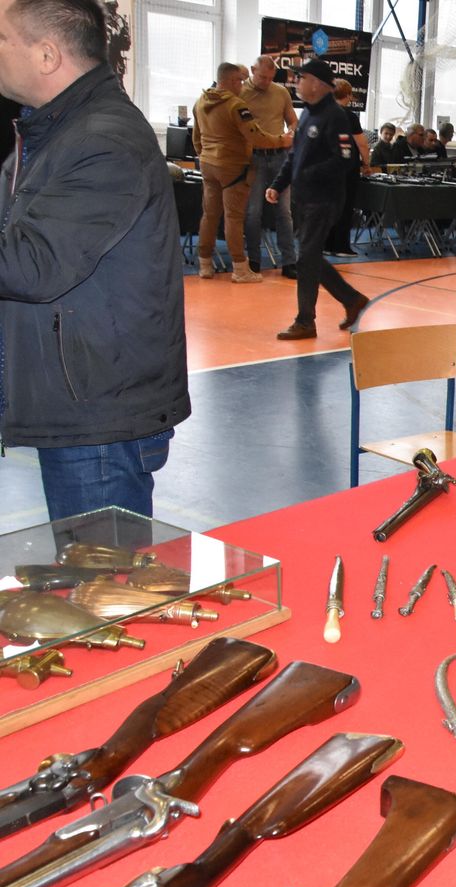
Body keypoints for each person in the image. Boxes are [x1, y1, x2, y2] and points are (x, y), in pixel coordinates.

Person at [0, 0, 188, 519]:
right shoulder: (50, 133)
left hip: (97, 413)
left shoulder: (103, 141)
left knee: (103, 570)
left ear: (46, 55)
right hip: (72, 393)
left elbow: (32, 264)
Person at [265, 59, 368, 341]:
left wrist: (310, 174)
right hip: (304, 198)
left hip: (324, 199)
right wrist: (278, 184)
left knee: (307, 258)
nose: (297, 82)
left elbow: (346, 159)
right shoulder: (307, 114)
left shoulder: (335, 116)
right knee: (308, 257)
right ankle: (351, 299)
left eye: (302, 78)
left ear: (317, 83)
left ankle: (305, 321)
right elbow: (294, 157)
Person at [192, 61, 279, 283]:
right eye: (240, 81)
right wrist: (283, 140)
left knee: (209, 215)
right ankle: (240, 268)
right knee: (234, 217)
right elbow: (256, 137)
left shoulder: (201, 101)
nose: (242, 85)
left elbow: (196, 137)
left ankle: (204, 264)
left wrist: (206, 155)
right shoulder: (236, 105)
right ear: (231, 81)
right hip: (233, 168)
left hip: (208, 164)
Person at [241, 55, 297, 278]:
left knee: (284, 212)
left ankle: (289, 262)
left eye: (270, 78)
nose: (266, 82)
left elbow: (293, 120)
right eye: (262, 77)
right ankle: (254, 260)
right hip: (253, 158)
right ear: (252, 70)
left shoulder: (281, 92)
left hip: (279, 157)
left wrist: (291, 133)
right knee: (253, 211)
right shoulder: (240, 93)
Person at [322, 78, 368, 257]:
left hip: (326, 165)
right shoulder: (349, 116)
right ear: (348, 95)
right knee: (345, 205)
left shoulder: (323, 112)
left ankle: (326, 244)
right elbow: (361, 143)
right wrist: (367, 163)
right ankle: (341, 246)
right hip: (346, 166)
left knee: (328, 205)